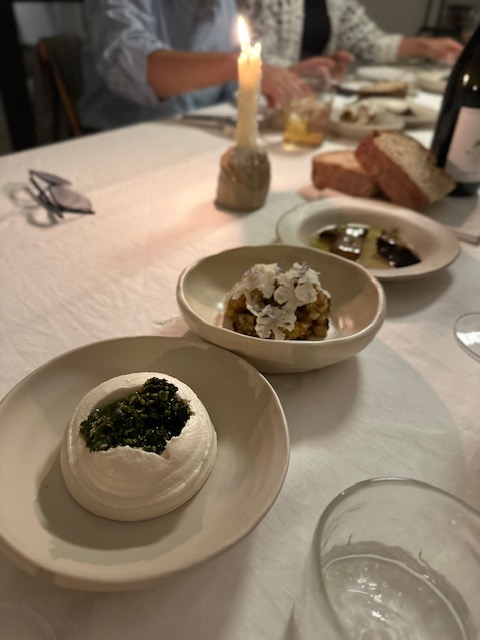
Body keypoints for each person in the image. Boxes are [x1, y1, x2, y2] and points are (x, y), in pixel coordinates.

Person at [78, 0, 337, 131]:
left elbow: (229, 84)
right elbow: (132, 68)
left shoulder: (221, 4)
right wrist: (237, 66)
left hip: (197, 135)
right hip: (122, 142)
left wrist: (279, 77)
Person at [237, 0, 464, 72]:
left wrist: (425, 46)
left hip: (310, 103)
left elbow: (370, 42)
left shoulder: (338, 3)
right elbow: (243, 52)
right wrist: (297, 71)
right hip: (255, 102)